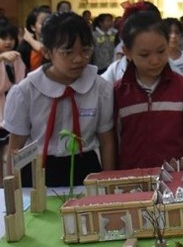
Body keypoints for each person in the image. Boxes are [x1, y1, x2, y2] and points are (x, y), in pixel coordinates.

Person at [3, 12, 115, 186]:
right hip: (37, 168)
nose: (78, 59)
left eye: (85, 50)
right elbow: (15, 147)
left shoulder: (100, 88)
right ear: (47, 52)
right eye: (67, 52)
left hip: (85, 167)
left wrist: (108, 184)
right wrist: (12, 189)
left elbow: (106, 141)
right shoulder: (26, 91)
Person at [114, 11, 183, 172]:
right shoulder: (118, 93)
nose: (155, 60)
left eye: (161, 51)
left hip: (177, 180)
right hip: (131, 181)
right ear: (127, 52)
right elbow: (113, 145)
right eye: (144, 54)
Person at [0, 20, 26, 166]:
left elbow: (20, 83)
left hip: (11, 108)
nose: (8, 42)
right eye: (4, 38)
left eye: (11, 38)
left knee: (11, 150)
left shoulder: (17, 57)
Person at [18, 7, 49, 73]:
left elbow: (43, 49)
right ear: (33, 27)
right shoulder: (24, 48)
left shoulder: (58, 42)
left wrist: (29, 39)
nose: (47, 25)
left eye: (49, 22)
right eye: (43, 23)